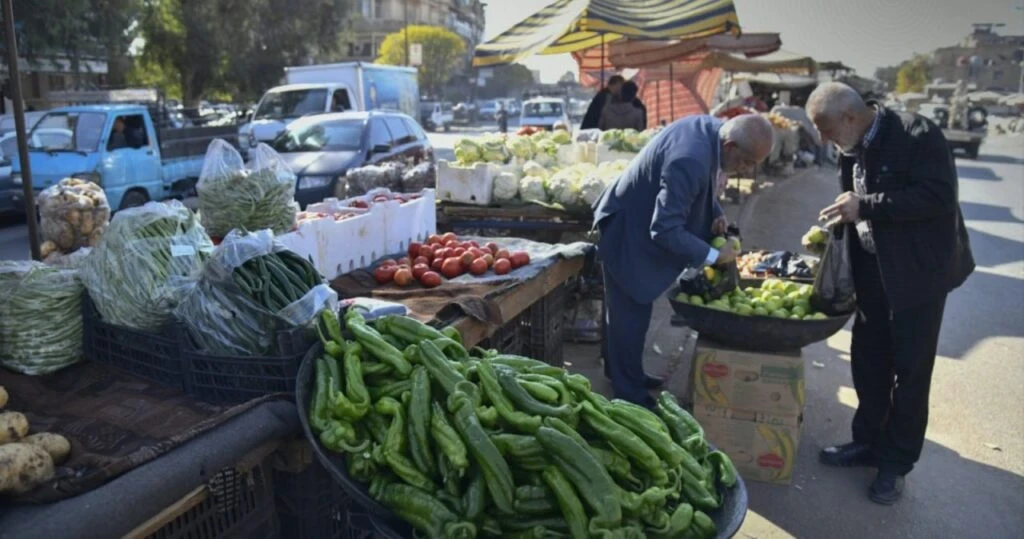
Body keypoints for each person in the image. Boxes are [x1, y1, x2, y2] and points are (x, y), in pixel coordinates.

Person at [806, 82, 974, 505]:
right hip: (872, 272)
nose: (824, 140)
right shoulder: (852, 144)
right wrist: (840, 223)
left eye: (826, 130)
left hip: (917, 276)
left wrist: (866, 206)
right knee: (869, 362)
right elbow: (856, 198)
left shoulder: (918, 134)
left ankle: (895, 464)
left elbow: (937, 197)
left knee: (911, 374)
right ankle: (866, 442)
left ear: (849, 116)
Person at [592, 114, 774, 407]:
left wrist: (714, 210)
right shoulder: (690, 158)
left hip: (639, 218)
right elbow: (664, 228)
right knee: (630, 313)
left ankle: (626, 373)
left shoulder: (712, 131)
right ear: (729, 145)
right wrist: (714, 255)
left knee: (631, 309)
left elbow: (701, 184)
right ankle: (629, 395)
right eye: (746, 162)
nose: (747, 169)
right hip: (628, 229)